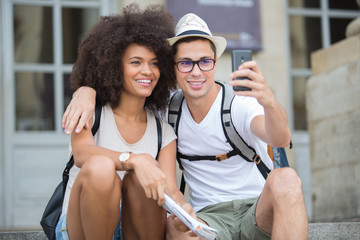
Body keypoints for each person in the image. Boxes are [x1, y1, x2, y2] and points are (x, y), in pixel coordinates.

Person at [62, 13, 308, 240]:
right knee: (116, 177)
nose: (196, 72)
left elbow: (279, 137)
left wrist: (268, 100)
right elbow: (85, 151)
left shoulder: (232, 106)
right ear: (174, 69)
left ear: (214, 62)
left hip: (253, 212)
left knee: (285, 178)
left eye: (205, 62)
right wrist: (86, 89)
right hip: (202, 219)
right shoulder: (141, 109)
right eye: (186, 63)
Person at [57, 4, 186, 240]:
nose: (147, 71)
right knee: (102, 167)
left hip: (135, 227)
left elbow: (169, 189)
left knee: (140, 178)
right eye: (136, 62)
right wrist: (134, 160)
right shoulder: (90, 110)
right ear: (115, 66)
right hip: (82, 227)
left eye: (155, 63)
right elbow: (82, 154)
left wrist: (183, 209)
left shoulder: (162, 131)